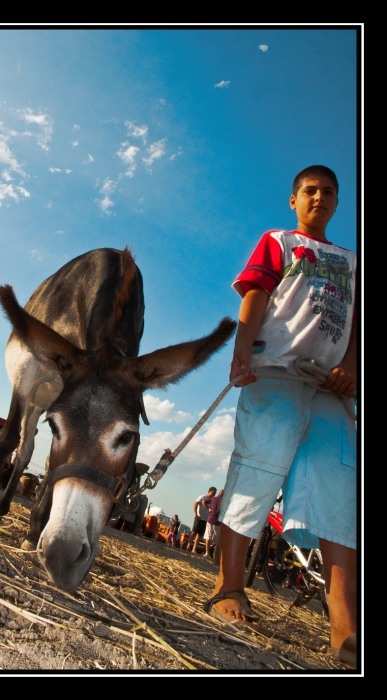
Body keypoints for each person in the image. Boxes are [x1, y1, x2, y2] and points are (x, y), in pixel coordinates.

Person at [203, 165, 357, 668]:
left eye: (328, 192)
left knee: (338, 495)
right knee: (256, 470)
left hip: (331, 390)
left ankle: (344, 627)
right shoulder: (281, 242)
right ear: (294, 199)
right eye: (309, 191)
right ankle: (229, 587)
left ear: (337, 202)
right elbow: (257, 295)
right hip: (276, 372)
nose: (319, 197)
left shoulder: (352, 263)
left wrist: (351, 368)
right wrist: (241, 350)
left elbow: (355, 328)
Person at [186, 487, 217, 554]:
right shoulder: (202, 497)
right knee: (194, 532)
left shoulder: (212, 501)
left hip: (206, 519)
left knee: (200, 535)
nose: (213, 495)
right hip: (199, 517)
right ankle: (188, 546)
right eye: (213, 493)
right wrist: (196, 514)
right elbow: (195, 504)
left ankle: (194, 549)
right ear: (209, 491)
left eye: (215, 494)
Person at [202, 489, 224, 559]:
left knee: (208, 536)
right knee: (219, 539)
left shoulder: (213, 498)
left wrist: (208, 508)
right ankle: (216, 555)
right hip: (218, 522)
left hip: (210, 519)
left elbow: (204, 501)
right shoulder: (224, 502)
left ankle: (207, 553)